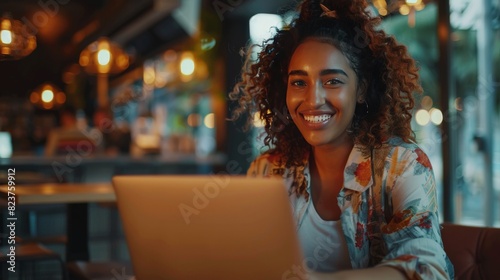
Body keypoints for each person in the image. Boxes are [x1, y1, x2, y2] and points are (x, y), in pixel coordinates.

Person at [229, 0, 454, 279]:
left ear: (361, 90)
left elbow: (428, 269)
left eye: (333, 81)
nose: (313, 100)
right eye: (299, 82)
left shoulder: (402, 165)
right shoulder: (267, 170)